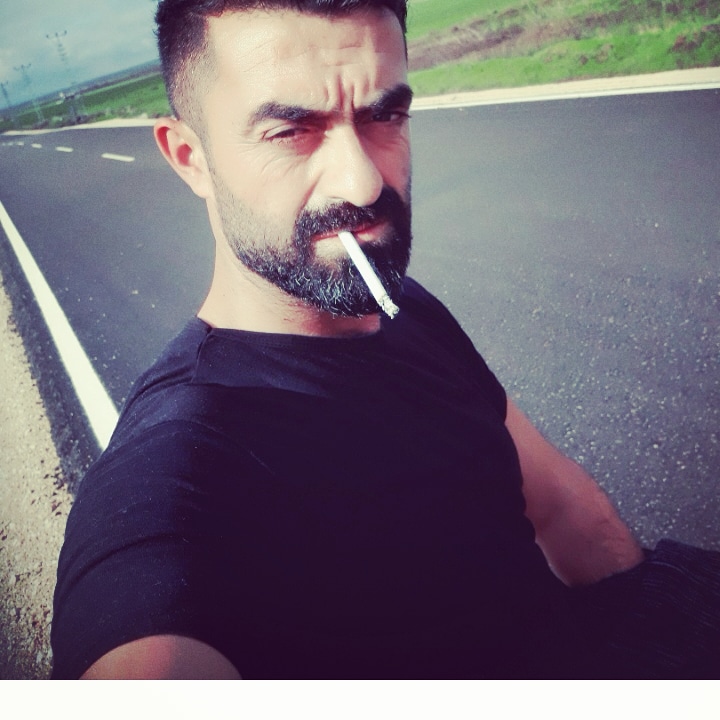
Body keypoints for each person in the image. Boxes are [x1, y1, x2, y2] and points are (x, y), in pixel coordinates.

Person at [51, 0, 720, 679]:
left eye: (385, 116)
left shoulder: (401, 307)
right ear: (191, 157)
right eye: (291, 131)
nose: (364, 181)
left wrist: (659, 635)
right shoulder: (174, 474)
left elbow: (560, 506)